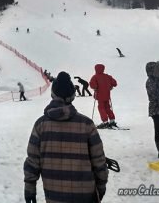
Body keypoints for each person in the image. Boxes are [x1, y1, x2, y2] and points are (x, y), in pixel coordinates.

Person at [24, 71, 108, 203]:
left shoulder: (41, 125)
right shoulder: (86, 124)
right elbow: (99, 161)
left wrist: (29, 188)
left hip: (54, 195)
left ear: (53, 95)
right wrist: (101, 186)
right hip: (85, 196)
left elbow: (32, 161)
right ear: (72, 96)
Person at [90, 64, 118, 128]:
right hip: (107, 95)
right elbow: (115, 83)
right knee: (108, 107)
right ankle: (112, 120)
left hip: (100, 95)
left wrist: (95, 87)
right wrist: (110, 86)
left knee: (101, 108)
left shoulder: (95, 77)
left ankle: (105, 122)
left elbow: (93, 85)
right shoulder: (107, 76)